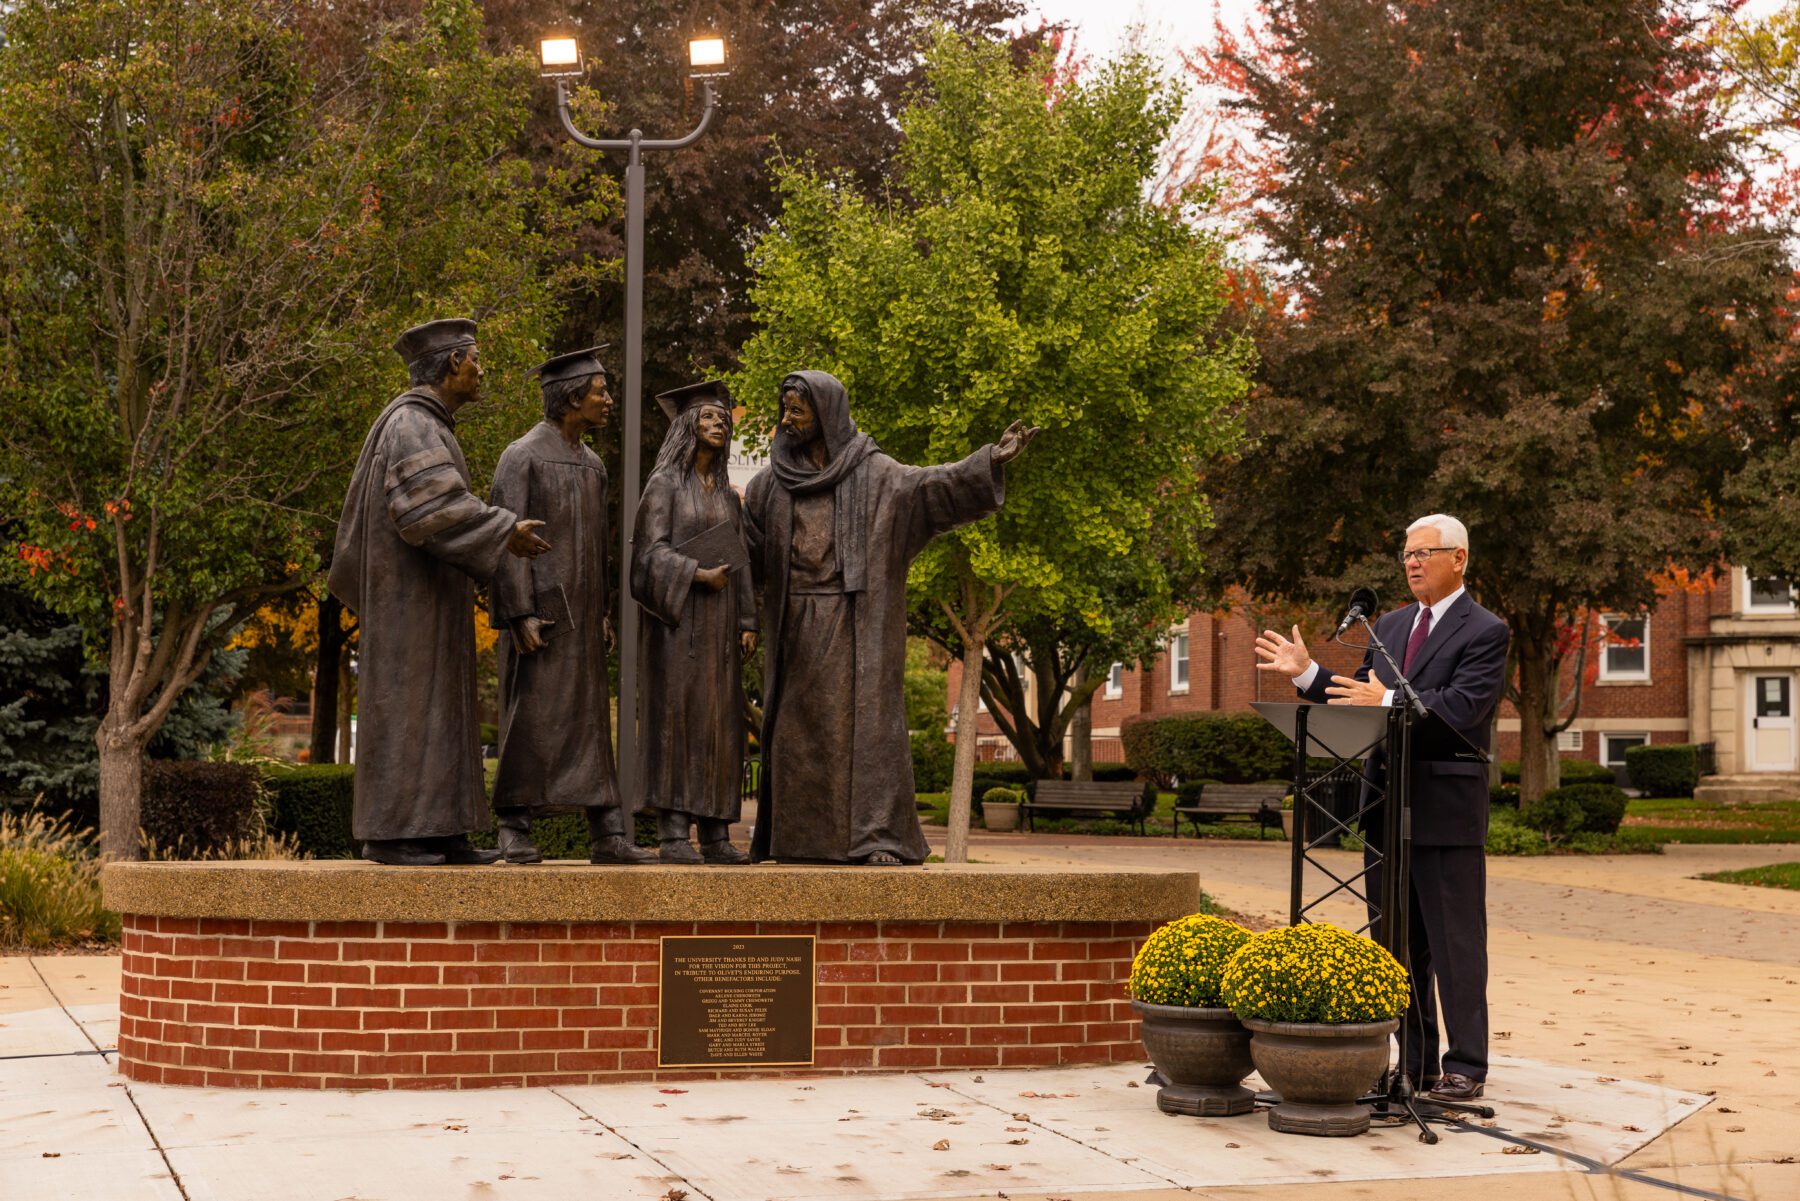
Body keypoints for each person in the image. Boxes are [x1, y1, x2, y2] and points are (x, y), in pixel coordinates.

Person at [1253, 513, 1508, 1103]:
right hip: (1385, 812)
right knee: (1396, 945)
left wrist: (1390, 697)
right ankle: (1412, 1064)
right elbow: (1360, 697)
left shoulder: (1485, 630)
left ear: (1459, 558)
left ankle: (1465, 1065)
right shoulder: (1389, 625)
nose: (1412, 563)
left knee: (1455, 945)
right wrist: (1310, 674)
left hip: (1444, 812)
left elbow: (1463, 708)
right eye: (1406, 555)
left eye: (1424, 553)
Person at [744, 370, 1037, 865]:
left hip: (856, 624)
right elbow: (744, 557)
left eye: (797, 409)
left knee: (864, 731)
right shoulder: (768, 486)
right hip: (792, 626)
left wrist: (989, 460)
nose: (786, 419)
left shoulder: (875, 475)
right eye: (784, 409)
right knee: (797, 736)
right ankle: (796, 841)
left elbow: (931, 487)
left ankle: (874, 837)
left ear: (827, 414)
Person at [328, 318, 550, 867]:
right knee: (409, 711)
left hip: (430, 602)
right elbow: (427, 509)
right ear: (452, 362)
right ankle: (393, 834)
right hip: (408, 606)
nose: (482, 369)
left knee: (441, 712)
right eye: (476, 358)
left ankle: (440, 831)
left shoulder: (432, 425)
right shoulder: (410, 423)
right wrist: (505, 529)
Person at [487, 347, 655, 866]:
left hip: (582, 617)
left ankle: (606, 830)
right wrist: (518, 613)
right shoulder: (522, 456)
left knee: (589, 723)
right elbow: (502, 537)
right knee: (532, 717)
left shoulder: (594, 463)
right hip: (541, 616)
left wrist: (603, 611)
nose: (608, 400)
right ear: (572, 396)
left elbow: (597, 550)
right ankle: (514, 823)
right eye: (601, 391)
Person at [630, 379, 758, 864]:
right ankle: (673, 834)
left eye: (723, 419)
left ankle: (717, 834)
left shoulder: (727, 496)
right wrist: (696, 574)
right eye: (707, 418)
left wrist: (748, 619)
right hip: (677, 627)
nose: (718, 425)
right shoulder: (663, 486)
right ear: (687, 426)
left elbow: (740, 556)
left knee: (721, 726)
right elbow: (646, 558)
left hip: (722, 630)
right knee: (678, 721)